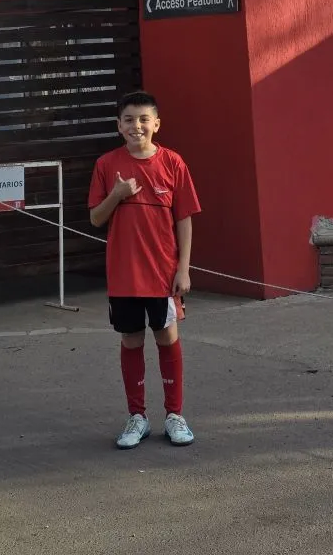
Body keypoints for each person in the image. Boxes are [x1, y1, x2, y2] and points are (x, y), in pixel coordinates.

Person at [88, 90, 201, 449]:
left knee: (167, 338)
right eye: (128, 120)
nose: (136, 126)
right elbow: (95, 218)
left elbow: (183, 219)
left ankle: (174, 415)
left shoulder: (173, 163)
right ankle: (136, 416)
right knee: (131, 340)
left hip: (163, 274)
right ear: (118, 126)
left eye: (143, 119)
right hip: (123, 275)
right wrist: (117, 194)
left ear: (156, 124)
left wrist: (183, 269)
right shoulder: (106, 165)